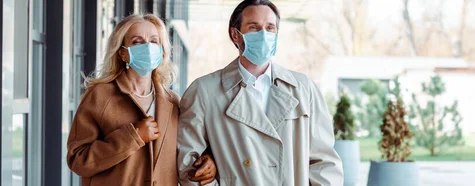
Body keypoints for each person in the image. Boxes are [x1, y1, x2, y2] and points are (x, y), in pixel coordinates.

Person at [176, 0, 344, 185]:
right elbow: (189, 165)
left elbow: (324, 163)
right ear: (235, 35)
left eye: (270, 28)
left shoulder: (304, 89)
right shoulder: (204, 92)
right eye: (254, 27)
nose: (264, 35)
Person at [67, 14, 216, 186]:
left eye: (154, 41)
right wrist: (132, 137)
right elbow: (78, 160)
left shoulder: (173, 103)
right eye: (137, 42)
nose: (147, 48)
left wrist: (210, 160)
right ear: (122, 53)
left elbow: (189, 148)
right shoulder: (100, 96)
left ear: (161, 51)